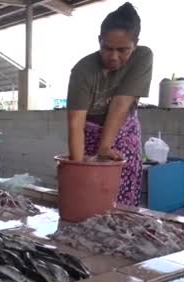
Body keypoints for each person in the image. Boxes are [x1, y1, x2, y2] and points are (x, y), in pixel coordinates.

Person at [67, 2, 153, 206]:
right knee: (88, 195)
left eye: (122, 50)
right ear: (99, 41)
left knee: (122, 199)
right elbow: (75, 123)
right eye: (107, 48)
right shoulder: (83, 71)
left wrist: (106, 147)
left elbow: (120, 105)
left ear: (135, 44)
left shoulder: (142, 57)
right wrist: (78, 169)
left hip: (124, 132)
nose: (113, 57)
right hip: (88, 135)